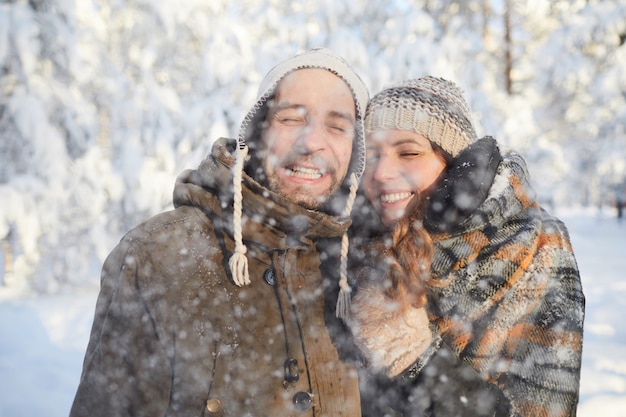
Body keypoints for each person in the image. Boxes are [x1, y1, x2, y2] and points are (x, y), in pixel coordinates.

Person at [69, 48, 369, 417]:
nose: (311, 142)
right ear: (257, 132)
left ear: (355, 151)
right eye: (291, 118)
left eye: (337, 126)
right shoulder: (158, 257)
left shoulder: (360, 264)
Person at [344, 76, 585, 417]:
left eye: (408, 152)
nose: (381, 172)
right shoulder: (354, 246)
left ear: (454, 162)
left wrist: (416, 360)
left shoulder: (534, 244)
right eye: (370, 155)